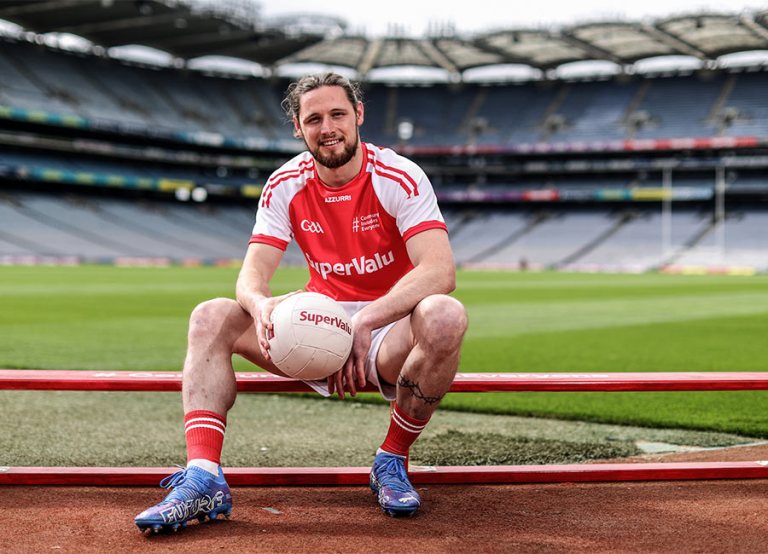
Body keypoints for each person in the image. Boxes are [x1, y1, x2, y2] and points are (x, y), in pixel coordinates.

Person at [134, 72, 468, 532]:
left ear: (359, 116)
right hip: (316, 328)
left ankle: (390, 460)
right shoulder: (285, 183)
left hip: (386, 329)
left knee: (446, 316)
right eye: (314, 118)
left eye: (338, 114)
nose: (327, 126)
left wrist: (368, 320)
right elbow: (251, 275)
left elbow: (439, 271)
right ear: (298, 126)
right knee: (210, 315)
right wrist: (261, 306)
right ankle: (203, 477)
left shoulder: (399, 176)